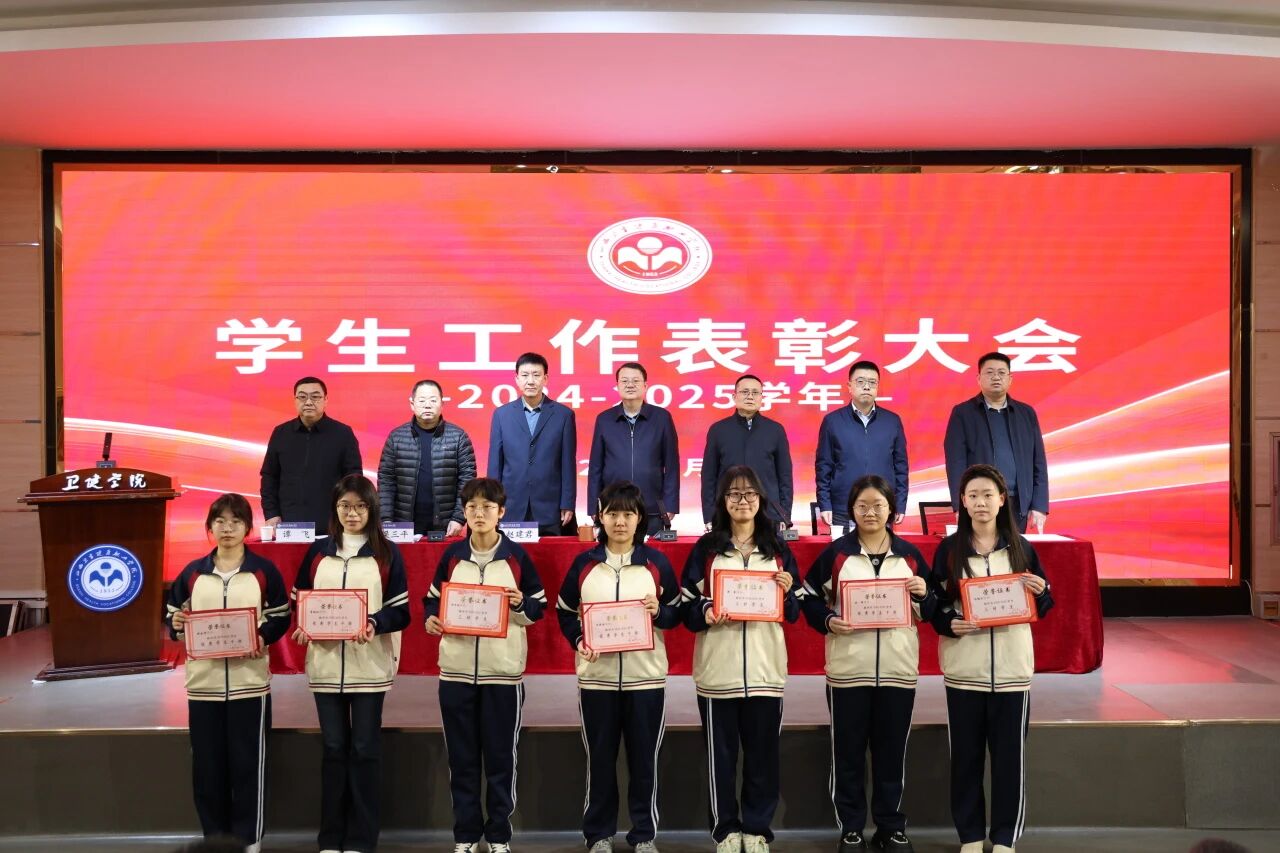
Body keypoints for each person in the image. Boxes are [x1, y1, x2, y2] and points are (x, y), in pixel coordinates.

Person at [801, 475, 935, 853]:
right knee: (848, 755)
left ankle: (891, 827)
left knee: (891, 754)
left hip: (897, 670)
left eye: (878, 505)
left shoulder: (909, 556)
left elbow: (933, 609)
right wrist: (828, 620)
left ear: (891, 509)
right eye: (862, 506)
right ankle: (851, 828)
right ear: (852, 510)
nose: (870, 512)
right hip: (848, 671)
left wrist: (923, 593)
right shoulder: (837, 555)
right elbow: (808, 598)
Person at [929, 464, 1054, 853]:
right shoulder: (949, 550)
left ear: (1002, 500)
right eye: (973, 496)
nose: (980, 502)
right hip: (964, 671)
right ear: (962, 503)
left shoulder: (1022, 549)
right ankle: (970, 836)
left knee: (1009, 762)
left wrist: (1042, 590)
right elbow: (933, 604)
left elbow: (1044, 603)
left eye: (987, 495)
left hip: (1012, 672)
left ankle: (1004, 839)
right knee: (965, 760)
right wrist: (949, 623)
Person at [681, 465, 803, 853]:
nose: (742, 501)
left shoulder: (777, 550)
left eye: (750, 493)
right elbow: (685, 606)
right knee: (721, 759)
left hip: (766, 671)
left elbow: (795, 612)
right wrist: (706, 611)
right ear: (723, 501)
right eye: (734, 494)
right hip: (718, 672)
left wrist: (787, 591)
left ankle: (756, 829)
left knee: (762, 757)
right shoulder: (707, 549)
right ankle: (725, 831)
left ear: (761, 499)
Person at [557, 481, 683, 852]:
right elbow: (564, 612)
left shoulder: (656, 564)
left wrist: (659, 612)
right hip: (597, 681)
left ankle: (644, 835)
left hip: (646, 681)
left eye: (628, 514)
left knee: (644, 762)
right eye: (612, 513)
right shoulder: (584, 565)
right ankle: (599, 834)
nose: (620, 521)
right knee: (599, 761)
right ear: (601, 517)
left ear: (640, 518)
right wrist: (579, 640)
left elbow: (677, 613)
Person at [424, 477, 548, 853]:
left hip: (503, 675)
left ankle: (498, 837)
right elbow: (432, 601)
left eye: (487, 507)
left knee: (500, 760)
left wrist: (519, 604)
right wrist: (431, 619)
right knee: (461, 760)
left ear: (501, 512)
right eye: (473, 507)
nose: (479, 514)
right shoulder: (452, 556)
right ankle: (465, 836)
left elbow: (538, 607)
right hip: (456, 673)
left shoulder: (516, 558)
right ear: (465, 512)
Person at [291, 474, 410, 853]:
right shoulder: (318, 553)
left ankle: (361, 839)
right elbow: (299, 600)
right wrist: (305, 625)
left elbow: (401, 612)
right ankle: (331, 838)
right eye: (345, 506)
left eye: (360, 506)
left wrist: (374, 622)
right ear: (335, 509)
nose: (352, 513)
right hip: (325, 667)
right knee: (333, 749)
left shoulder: (386, 554)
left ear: (372, 510)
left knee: (364, 749)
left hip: (369, 667)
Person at [166, 493, 290, 853]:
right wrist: (176, 624)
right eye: (220, 521)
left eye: (236, 521)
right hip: (202, 686)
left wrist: (261, 637)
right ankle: (215, 840)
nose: (227, 528)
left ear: (247, 527)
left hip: (249, 685)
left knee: (248, 767)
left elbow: (281, 616)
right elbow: (173, 616)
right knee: (207, 769)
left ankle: (248, 841)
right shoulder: (193, 573)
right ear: (210, 527)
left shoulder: (263, 572)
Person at [943, 353, 1048, 533]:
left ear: (1010, 378)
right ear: (979, 379)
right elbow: (955, 463)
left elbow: (1038, 461)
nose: (996, 377)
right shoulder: (963, 413)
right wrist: (961, 504)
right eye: (990, 372)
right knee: (980, 549)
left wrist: (1039, 505)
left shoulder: (1026, 413)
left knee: (1014, 550)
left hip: (1017, 503)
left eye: (1001, 373)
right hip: (980, 502)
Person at [488, 352, 577, 535]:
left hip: (550, 507)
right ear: (517, 379)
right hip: (510, 506)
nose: (530, 381)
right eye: (525, 375)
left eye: (536, 375)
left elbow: (568, 464)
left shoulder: (563, 415)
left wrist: (567, 502)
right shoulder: (502, 415)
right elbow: (495, 464)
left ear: (545, 379)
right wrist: (492, 503)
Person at [587, 362, 680, 536]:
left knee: (650, 553)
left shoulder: (662, 418)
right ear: (617, 386)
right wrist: (594, 506)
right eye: (624, 381)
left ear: (645, 386)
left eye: (636, 381)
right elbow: (595, 468)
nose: (630, 385)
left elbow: (672, 465)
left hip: (652, 508)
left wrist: (670, 504)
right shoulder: (604, 419)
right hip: (613, 508)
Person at [815, 361, 909, 531]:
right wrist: (825, 504)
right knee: (844, 549)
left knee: (880, 548)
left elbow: (901, 467)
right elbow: (823, 467)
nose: (867, 387)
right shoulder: (833, 421)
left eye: (872, 382)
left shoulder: (892, 421)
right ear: (849, 386)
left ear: (878, 387)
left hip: (882, 507)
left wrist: (900, 504)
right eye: (860, 382)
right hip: (843, 508)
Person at [260, 376, 363, 529]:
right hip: (290, 522)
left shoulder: (343, 433)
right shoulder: (281, 433)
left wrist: (349, 513)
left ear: (325, 400)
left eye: (315, 397)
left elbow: (353, 478)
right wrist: (271, 513)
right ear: (295, 400)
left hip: (333, 522)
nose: (308, 402)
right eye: (302, 397)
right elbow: (269, 476)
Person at [377, 378, 477, 536]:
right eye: (422, 400)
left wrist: (458, 518)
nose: (427, 405)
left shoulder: (458, 437)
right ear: (412, 404)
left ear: (442, 404)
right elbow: (386, 481)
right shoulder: (396, 437)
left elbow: (467, 480)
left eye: (433, 400)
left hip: (445, 524)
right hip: (403, 524)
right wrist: (386, 520)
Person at [701, 375, 793, 529]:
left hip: (769, 513)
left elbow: (785, 477)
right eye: (745, 392)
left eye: (755, 392)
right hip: (727, 512)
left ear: (761, 398)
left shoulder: (775, 430)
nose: (750, 396)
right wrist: (710, 515)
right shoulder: (718, 430)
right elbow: (709, 477)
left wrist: (784, 514)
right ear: (734, 396)